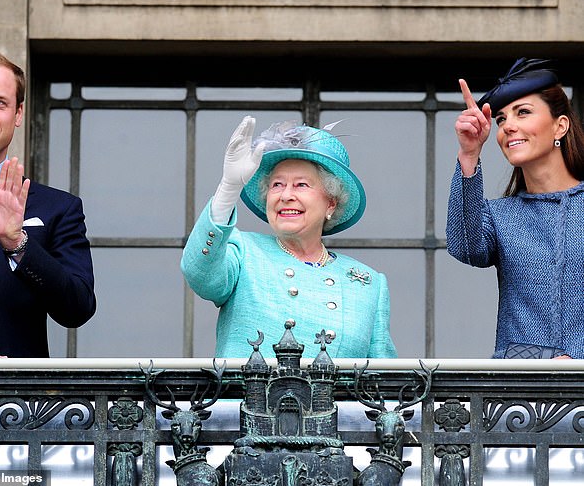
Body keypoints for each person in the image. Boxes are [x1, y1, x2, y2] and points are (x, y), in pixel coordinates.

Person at [181, 116, 397, 358]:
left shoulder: (369, 283)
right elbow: (199, 273)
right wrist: (228, 189)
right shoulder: (243, 252)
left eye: (301, 185)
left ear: (331, 204)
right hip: (250, 396)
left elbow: (383, 379)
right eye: (277, 185)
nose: (285, 195)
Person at [0, 50, 96, 358]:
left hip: (22, 403)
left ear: (18, 114)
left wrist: (17, 243)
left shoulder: (59, 208)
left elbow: (77, 309)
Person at [446, 58, 584, 359]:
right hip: (519, 395)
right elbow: (465, 247)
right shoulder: (500, 215)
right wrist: (469, 154)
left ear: (560, 126)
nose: (508, 126)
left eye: (523, 112)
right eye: (501, 119)